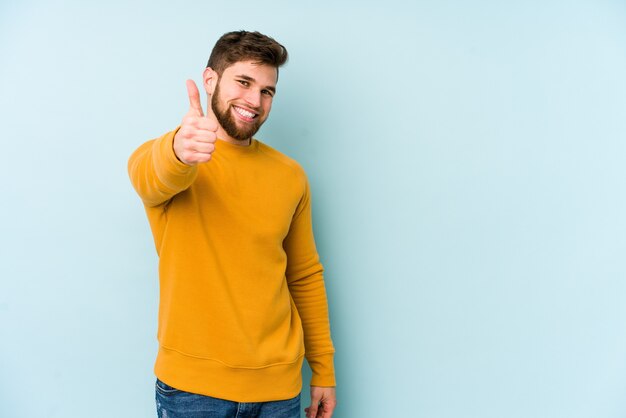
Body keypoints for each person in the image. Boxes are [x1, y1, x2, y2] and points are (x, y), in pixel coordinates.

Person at [128, 30, 337, 418]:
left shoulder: (290, 176)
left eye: (267, 91)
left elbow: (304, 275)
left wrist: (324, 370)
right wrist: (178, 150)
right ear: (210, 80)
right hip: (193, 393)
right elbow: (150, 176)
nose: (254, 101)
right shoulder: (171, 156)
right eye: (243, 82)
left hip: (279, 392)